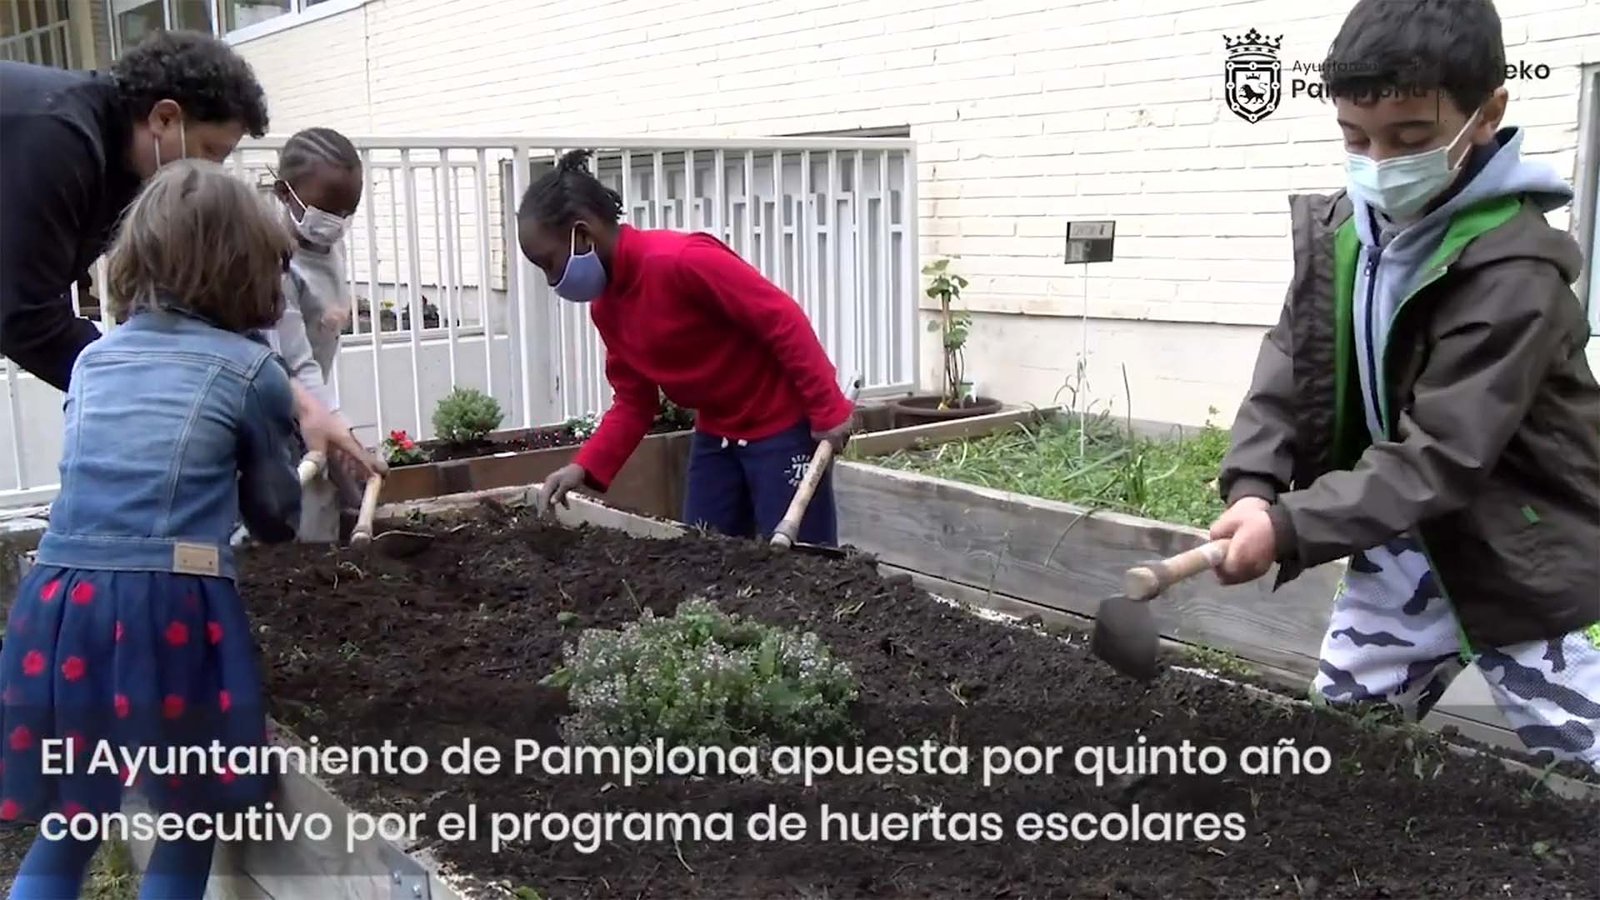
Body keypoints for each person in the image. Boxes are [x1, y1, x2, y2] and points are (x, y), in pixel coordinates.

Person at [1210, 0, 1600, 770]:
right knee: (1344, 736)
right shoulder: (1346, 233)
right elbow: (1289, 366)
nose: (1380, 164)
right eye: (1356, 138)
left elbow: (1444, 453)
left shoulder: (1515, 274)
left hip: (1510, 548)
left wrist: (1289, 528)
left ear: (1487, 114)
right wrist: (1253, 487)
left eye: (1412, 139)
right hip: (1396, 538)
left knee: (1580, 739)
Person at [0, 160, 301, 897]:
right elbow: (275, 517)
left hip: (56, 602)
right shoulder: (251, 369)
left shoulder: (94, 360)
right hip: (165, 606)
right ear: (248, 265)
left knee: (75, 814)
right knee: (188, 814)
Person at [0, 29, 382, 479]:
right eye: (210, 151)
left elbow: (206, 303)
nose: (211, 171)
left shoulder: (133, 171)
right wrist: (156, 387)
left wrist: (303, 402)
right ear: (164, 118)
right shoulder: (59, 139)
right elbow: (24, 318)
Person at [517, 149, 855, 545]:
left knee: (803, 562)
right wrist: (583, 466)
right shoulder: (608, 308)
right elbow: (635, 402)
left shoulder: (680, 260)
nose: (551, 280)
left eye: (549, 263)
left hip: (781, 428)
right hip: (717, 435)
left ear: (583, 233)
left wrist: (827, 409)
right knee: (702, 552)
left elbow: (781, 319)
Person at [262, 126, 366, 543]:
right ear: (284, 193)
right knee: (298, 506)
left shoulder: (329, 245)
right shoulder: (276, 264)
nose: (336, 224)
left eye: (347, 212)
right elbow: (294, 361)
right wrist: (333, 420)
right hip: (277, 403)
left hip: (309, 396)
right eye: (326, 211)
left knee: (330, 494)